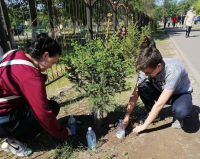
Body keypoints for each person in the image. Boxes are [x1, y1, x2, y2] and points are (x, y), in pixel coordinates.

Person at [0, 33, 71, 157]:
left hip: (4, 112)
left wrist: (39, 78)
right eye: (53, 63)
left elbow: (15, 78)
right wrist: (62, 132)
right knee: (51, 108)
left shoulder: (13, 54)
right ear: (45, 55)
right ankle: (15, 142)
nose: (51, 67)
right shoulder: (31, 77)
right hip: (3, 120)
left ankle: (21, 131)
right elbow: (43, 113)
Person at [123, 47, 193, 135]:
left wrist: (144, 126)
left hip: (180, 94)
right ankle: (155, 115)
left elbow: (160, 104)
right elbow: (135, 93)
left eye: (148, 73)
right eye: (144, 72)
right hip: (163, 91)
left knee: (181, 112)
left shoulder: (173, 70)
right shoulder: (146, 67)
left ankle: (178, 115)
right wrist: (127, 116)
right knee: (142, 87)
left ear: (158, 66)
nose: (146, 75)